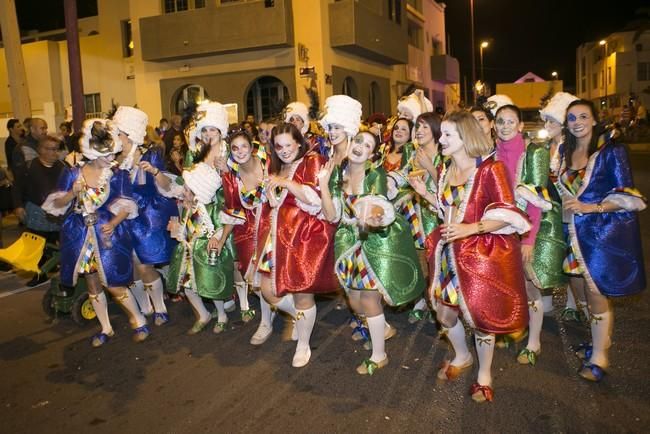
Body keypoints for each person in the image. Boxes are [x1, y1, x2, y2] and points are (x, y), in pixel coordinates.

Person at [410, 110, 530, 403]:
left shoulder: (492, 169)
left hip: (481, 258)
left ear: (466, 137)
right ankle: (462, 356)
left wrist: (470, 228)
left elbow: (508, 214)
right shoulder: (447, 169)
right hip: (449, 257)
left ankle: (484, 374)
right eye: (443, 134)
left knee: (481, 317)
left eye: (448, 134)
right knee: (444, 314)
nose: (442, 139)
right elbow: (448, 213)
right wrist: (426, 193)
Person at [320, 129, 425, 374]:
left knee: (368, 298)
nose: (360, 147)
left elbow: (379, 205)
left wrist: (374, 216)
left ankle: (379, 356)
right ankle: (384, 328)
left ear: (372, 154)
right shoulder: (337, 174)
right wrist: (323, 185)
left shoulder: (375, 174)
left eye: (368, 145)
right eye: (358, 141)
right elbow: (331, 215)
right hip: (347, 242)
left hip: (373, 242)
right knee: (356, 303)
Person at [556, 99, 646, 382]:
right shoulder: (563, 151)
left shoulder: (611, 152)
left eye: (584, 116)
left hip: (599, 235)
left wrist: (591, 208)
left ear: (595, 120)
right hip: (570, 235)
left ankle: (600, 357)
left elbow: (628, 196)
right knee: (579, 290)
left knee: (596, 293)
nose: (577, 122)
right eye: (572, 118)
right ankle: (598, 339)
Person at [42, 119, 149, 347]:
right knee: (91, 283)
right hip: (79, 236)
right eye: (106, 155)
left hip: (106, 235)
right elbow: (57, 204)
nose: (112, 159)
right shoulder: (73, 173)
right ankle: (106, 327)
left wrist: (113, 223)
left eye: (113, 153)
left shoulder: (117, 174)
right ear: (92, 152)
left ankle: (138, 320)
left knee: (113, 282)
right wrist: (72, 192)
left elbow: (126, 204)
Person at [254, 123, 337, 367]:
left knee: (302, 295)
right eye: (278, 146)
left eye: (288, 145)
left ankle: (303, 343)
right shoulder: (276, 166)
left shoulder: (313, 161)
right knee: (268, 290)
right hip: (277, 239)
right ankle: (300, 320)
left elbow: (316, 201)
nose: (283, 150)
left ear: (299, 143)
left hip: (303, 239)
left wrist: (287, 184)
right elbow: (271, 203)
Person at [494, 104, 562, 365]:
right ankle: (515, 328)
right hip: (500, 230)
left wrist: (530, 239)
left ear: (521, 125)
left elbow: (536, 201)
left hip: (526, 229)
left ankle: (534, 342)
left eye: (511, 121)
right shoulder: (492, 153)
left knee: (529, 285)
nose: (506, 126)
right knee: (509, 283)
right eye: (501, 121)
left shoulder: (534, 153)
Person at [167, 101, 235, 334]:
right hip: (193, 214)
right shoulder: (193, 152)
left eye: (212, 130)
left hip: (219, 213)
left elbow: (237, 188)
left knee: (214, 263)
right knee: (187, 266)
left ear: (221, 130)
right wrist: (184, 206)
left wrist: (226, 170)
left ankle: (226, 309)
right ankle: (203, 313)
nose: (208, 134)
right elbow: (186, 186)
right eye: (204, 130)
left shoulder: (229, 152)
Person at [112, 106, 178, 325]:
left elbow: (167, 187)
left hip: (148, 217)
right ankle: (145, 305)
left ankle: (159, 306)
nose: (115, 137)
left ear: (129, 135)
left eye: (118, 133)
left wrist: (154, 172)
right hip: (123, 217)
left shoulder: (151, 156)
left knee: (143, 265)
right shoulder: (112, 161)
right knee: (130, 266)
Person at [221, 130, 271, 343]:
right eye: (235, 148)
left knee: (273, 276)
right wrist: (221, 238)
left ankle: (290, 315)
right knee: (254, 281)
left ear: (252, 147)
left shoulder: (269, 162)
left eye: (243, 146)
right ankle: (268, 318)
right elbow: (233, 209)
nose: (240, 151)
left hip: (272, 225)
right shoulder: (230, 176)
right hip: (246, 230)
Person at [539, 92, 582, 319]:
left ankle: (574, 305)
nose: (547, 125)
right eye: (546, 121)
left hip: (569, 211)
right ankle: (547, 301)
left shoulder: (572, 149)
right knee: (550, 254)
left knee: (571, 257)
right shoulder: (546, 148)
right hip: (550, 210)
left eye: (552, 121)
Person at [12, 135, 66, 286]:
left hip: (59, 213)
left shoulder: (63, 166)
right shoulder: (28, 167)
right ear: (40, 149)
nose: (54, 153)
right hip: (36, 213)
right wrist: (18, 206)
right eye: (49, 149)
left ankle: (63, 274)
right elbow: (17, 189)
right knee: (38, 248)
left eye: (56, 149)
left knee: (61, 246)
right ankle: (39, 275)